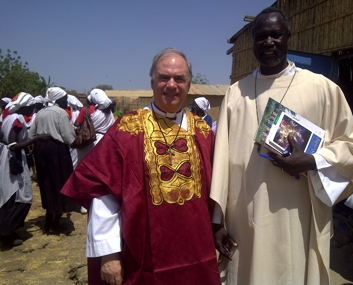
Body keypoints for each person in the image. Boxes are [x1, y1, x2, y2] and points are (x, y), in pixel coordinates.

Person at [210, 7, 353, 285]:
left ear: (288, 38)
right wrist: (217, 221)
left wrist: (313, 160)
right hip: (246, 216)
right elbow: (221, 164)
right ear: (253, 41)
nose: (268, 42)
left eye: (275, 35)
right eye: (261, 36)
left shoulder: (322, 89)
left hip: (298, 215)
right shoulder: (236, 94)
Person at [61, 48, 220, 285]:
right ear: (152, 82)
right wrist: (109, 254)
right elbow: (103, 191)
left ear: (189, 84)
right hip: (142, 255)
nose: (171, 85)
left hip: (196, 252)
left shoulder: (204, 132)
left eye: (180, 78)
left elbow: (218, 186)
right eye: (164, 77)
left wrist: (219, 225)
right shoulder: (128, 129)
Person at [0, 93, 49, 246]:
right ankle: (6, 233)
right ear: (25, 106)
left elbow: (3, 137)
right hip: (14, 158)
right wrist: (36, 139)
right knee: (21, 196)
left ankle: (8, 229)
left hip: (7, 156)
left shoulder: (8, 117)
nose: (33, 110)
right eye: (31, 107)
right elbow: (13, 144)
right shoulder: (18, 120)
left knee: (10, 193)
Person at [29, 87, 79, 234]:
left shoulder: (40, 113)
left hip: (40, 150)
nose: (66, 102)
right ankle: (55, 220)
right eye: (64, 99)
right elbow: (69, 138)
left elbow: (31, 134)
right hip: (56, 150)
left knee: (46, 183)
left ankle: (48, 219)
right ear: (58, 99)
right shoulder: (60, 113)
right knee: (59, 182)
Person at [74, 88, 115, 162]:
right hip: (105, 141)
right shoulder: (110, 113)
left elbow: (77, 124)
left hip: (90, 140)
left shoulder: (89, 110)